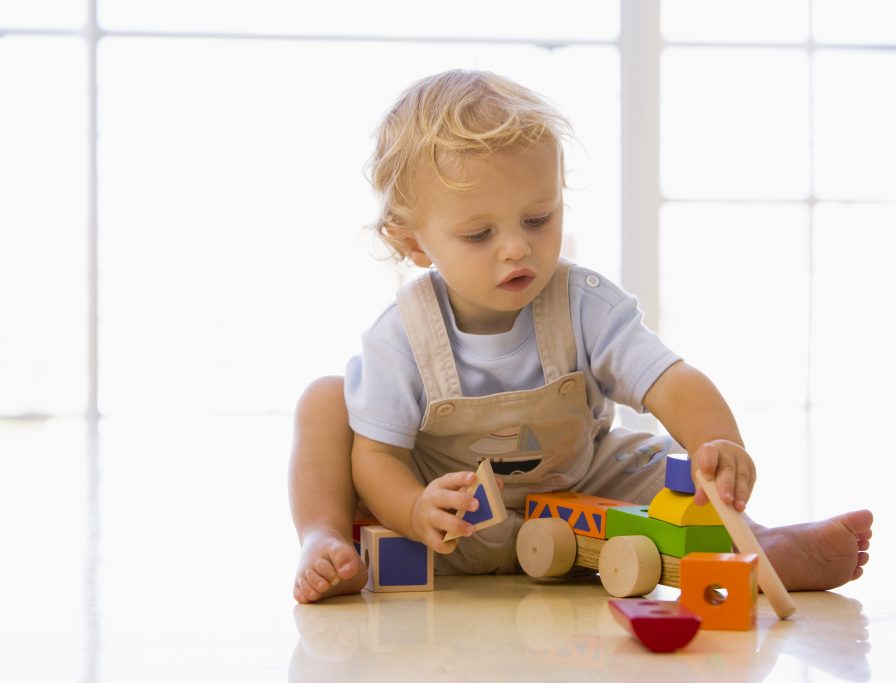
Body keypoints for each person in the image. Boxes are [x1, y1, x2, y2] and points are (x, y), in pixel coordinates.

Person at [289, 69, 872, 604]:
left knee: (660, 463)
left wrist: (715, 443)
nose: (517, 247)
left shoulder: (583, 303)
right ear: (415, 244)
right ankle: (325, 542)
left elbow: (670, 380)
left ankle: (757, 544)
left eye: (538, 219)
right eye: (479, 234)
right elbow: (378, 457)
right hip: (447, 523)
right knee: (325, 398)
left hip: (578, 490)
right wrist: (415, 508)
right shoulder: (402, 336)